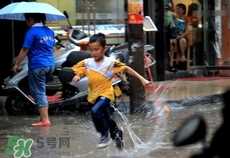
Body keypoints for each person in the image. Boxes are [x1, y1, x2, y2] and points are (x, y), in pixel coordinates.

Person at [72, 33, 150, 149]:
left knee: (95, 111)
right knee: (106, 119)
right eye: (92, 50)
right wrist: (78, 76)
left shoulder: (110, 62)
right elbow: (80, 70)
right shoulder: (88, 62)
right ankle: (118, 135)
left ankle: (104, 136)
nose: (94, 52)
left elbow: (127, 68)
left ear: (104, 49)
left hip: (106, 94)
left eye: (97, 49)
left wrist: (142, 79)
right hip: (93, 95)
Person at [13, 13, 55, 127]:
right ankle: (43, 116)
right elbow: (51, 48)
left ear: (31, 19)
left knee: (38, 91)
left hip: (38, 65)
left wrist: (16, 64)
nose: (26, 23)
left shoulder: (31, 32)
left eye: (26, 20)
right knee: (39, 90)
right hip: (50, 64)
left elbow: (25, 49)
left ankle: (45, 120)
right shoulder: (50, 31)